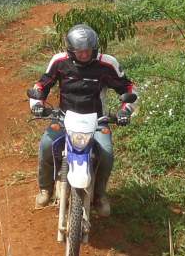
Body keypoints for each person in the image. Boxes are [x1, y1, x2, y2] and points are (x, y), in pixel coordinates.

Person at [27, 23, 137, 217]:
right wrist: (37, 102)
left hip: (97, 120)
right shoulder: (59, 61)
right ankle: (46, 188)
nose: (84, 55)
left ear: (94, 49)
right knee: (46, 145)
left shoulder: (107, 64)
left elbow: (128, 88)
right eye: (80, 52)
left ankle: (99, 195)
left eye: (88, 51)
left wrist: (125, 110)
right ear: (70, 51)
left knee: (107, 153)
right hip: (63, 118)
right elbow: (42, 84)